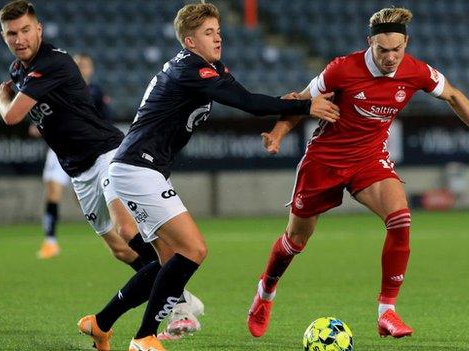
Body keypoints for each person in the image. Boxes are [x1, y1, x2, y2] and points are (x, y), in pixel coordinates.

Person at [75, 2, 340, 350]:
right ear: (189, 41)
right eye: (207, 33)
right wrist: (304, 106)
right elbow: (247, 103)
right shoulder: (191, 70)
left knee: (165, 264)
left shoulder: (210, 68)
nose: (217, 38)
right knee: (194, 249)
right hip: (137, 167)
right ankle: (144, 338)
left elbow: (247, 99)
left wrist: (284, 105)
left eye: (218, 31)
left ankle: (100, 323)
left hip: (142, 168)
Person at [247, 6, 469, 340]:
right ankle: (266, 291)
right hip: (325, 161)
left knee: (401, 219)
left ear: (406, 44)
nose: (390, 57)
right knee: (296, 241)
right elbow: (302, 101)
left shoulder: (416, 71)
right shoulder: (341, 69)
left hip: (369, 159)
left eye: (397, 50)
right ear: (369, 44)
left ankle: (386, 312)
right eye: (382, 50)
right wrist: (276, 136)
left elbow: (452, 94)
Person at [0, 1, 204, 348]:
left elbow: (11, 116)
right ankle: (154, 301)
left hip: (108, 155)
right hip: (78, 170)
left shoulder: (54, 63)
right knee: (121, 250)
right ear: (4, 37)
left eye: (26, 30)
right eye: (12, 33)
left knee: (129, 229)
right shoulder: (19, 70)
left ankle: (177, 304)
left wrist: (1, 98)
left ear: (39, 30)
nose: (20, 38)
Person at [33, 52, 113, 259]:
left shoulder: (95, 92)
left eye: (85, 65)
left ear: (91, 69)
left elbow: (106, 122)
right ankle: (50, 241)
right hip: (61, 151)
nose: (81, 68)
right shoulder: (59, 88)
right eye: (77, 64)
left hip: (91, 151)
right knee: (52, 193)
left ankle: (111, 236)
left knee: (87, 200)